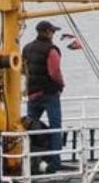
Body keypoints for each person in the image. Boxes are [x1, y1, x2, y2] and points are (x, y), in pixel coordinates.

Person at [22, 20, 66, 173]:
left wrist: (27, 88)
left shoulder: (27, 48)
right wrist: (61, 85)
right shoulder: (51, 50)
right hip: (49, 93)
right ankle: (54, 162)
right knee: (55, 127)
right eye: (52, 31)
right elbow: (54, 72)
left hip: (32, 93)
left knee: (29, 128)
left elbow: (23, 70)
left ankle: (28, 159)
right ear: (47, 32)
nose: (53, 34)